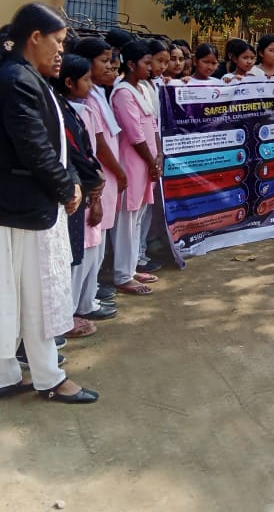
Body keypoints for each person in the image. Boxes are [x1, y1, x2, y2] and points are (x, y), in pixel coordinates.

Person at [0, 2, 98, 403]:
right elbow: (34, 148)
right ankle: (49, 378)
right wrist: (67, 188)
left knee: (13, 293)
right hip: (26, 206)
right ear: (35, 37)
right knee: (36, 295)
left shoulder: (22, 76)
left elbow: (48, 144)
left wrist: (69, 180)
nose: (61, 50)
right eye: (57, 41)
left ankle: (4, 375)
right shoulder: (18, 79)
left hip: (19, 205)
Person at [51, 54, 106, 338]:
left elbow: (85, 150)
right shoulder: (60, 110)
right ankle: (64, 317)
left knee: (79, 252)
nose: (91, 84)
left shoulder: (70, 109)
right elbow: (74, 153)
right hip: (74, 189)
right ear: (70, 82)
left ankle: (70, 312)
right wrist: (93, 179)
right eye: (86, 79)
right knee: (70, 255)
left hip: (83, 186)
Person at [72, 37, 125, 319]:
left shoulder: (98, 93)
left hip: (103, 177)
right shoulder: (86, 101)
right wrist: (117, 170)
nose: (110, 66)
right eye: (103, 61)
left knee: (98, 240)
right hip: (96, 178)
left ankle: (89, 295)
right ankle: (80, 304)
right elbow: (99, 144)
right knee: (88, 242)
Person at [110, 40, 161, 296]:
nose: (151, 68)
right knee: (126, 220)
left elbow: (153, 126)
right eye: (146, 63)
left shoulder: (143, 89)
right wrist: (152, 161)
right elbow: (134, 134)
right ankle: (122, 274)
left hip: (147, 162)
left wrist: (158, 155)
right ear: (131, 64)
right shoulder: (123, 93)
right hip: (132, 162)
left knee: (138, 217)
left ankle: (131, 268)